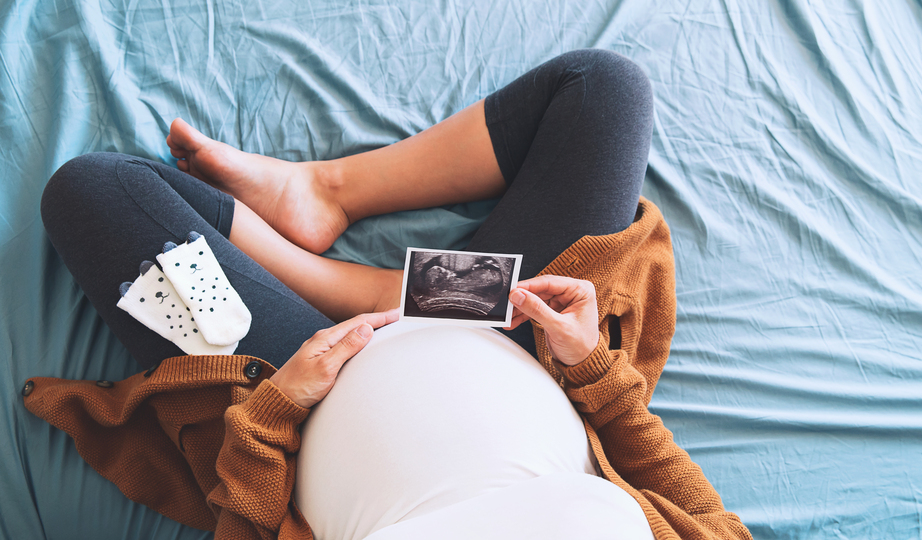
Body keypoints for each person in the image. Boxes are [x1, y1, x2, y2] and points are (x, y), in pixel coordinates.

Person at [29, 50, 752, 539]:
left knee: (93, 190)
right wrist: (592, 366)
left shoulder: (287, 398)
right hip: (518, 333)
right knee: (603, 90)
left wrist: (280, 408)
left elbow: (243, 521)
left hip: (295, 383)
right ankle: (331, 197)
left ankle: (367, 287)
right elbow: (696, 511)